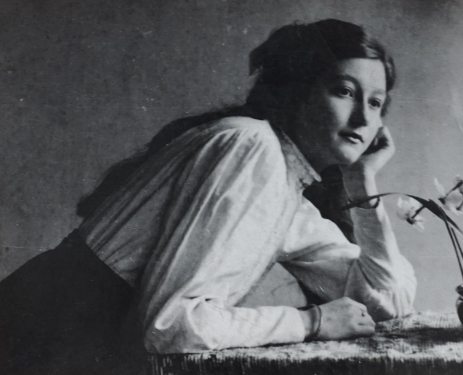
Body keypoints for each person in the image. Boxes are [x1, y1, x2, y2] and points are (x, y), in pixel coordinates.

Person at [0, 19, 416, 374]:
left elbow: (385, 303)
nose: (364, 118)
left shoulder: (287, 187)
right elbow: (170, 328)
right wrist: (310, 322)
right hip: (35, 345)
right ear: (299, 90)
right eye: (345, 91)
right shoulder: (250, 148)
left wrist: (362, 182)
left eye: (376, 103)